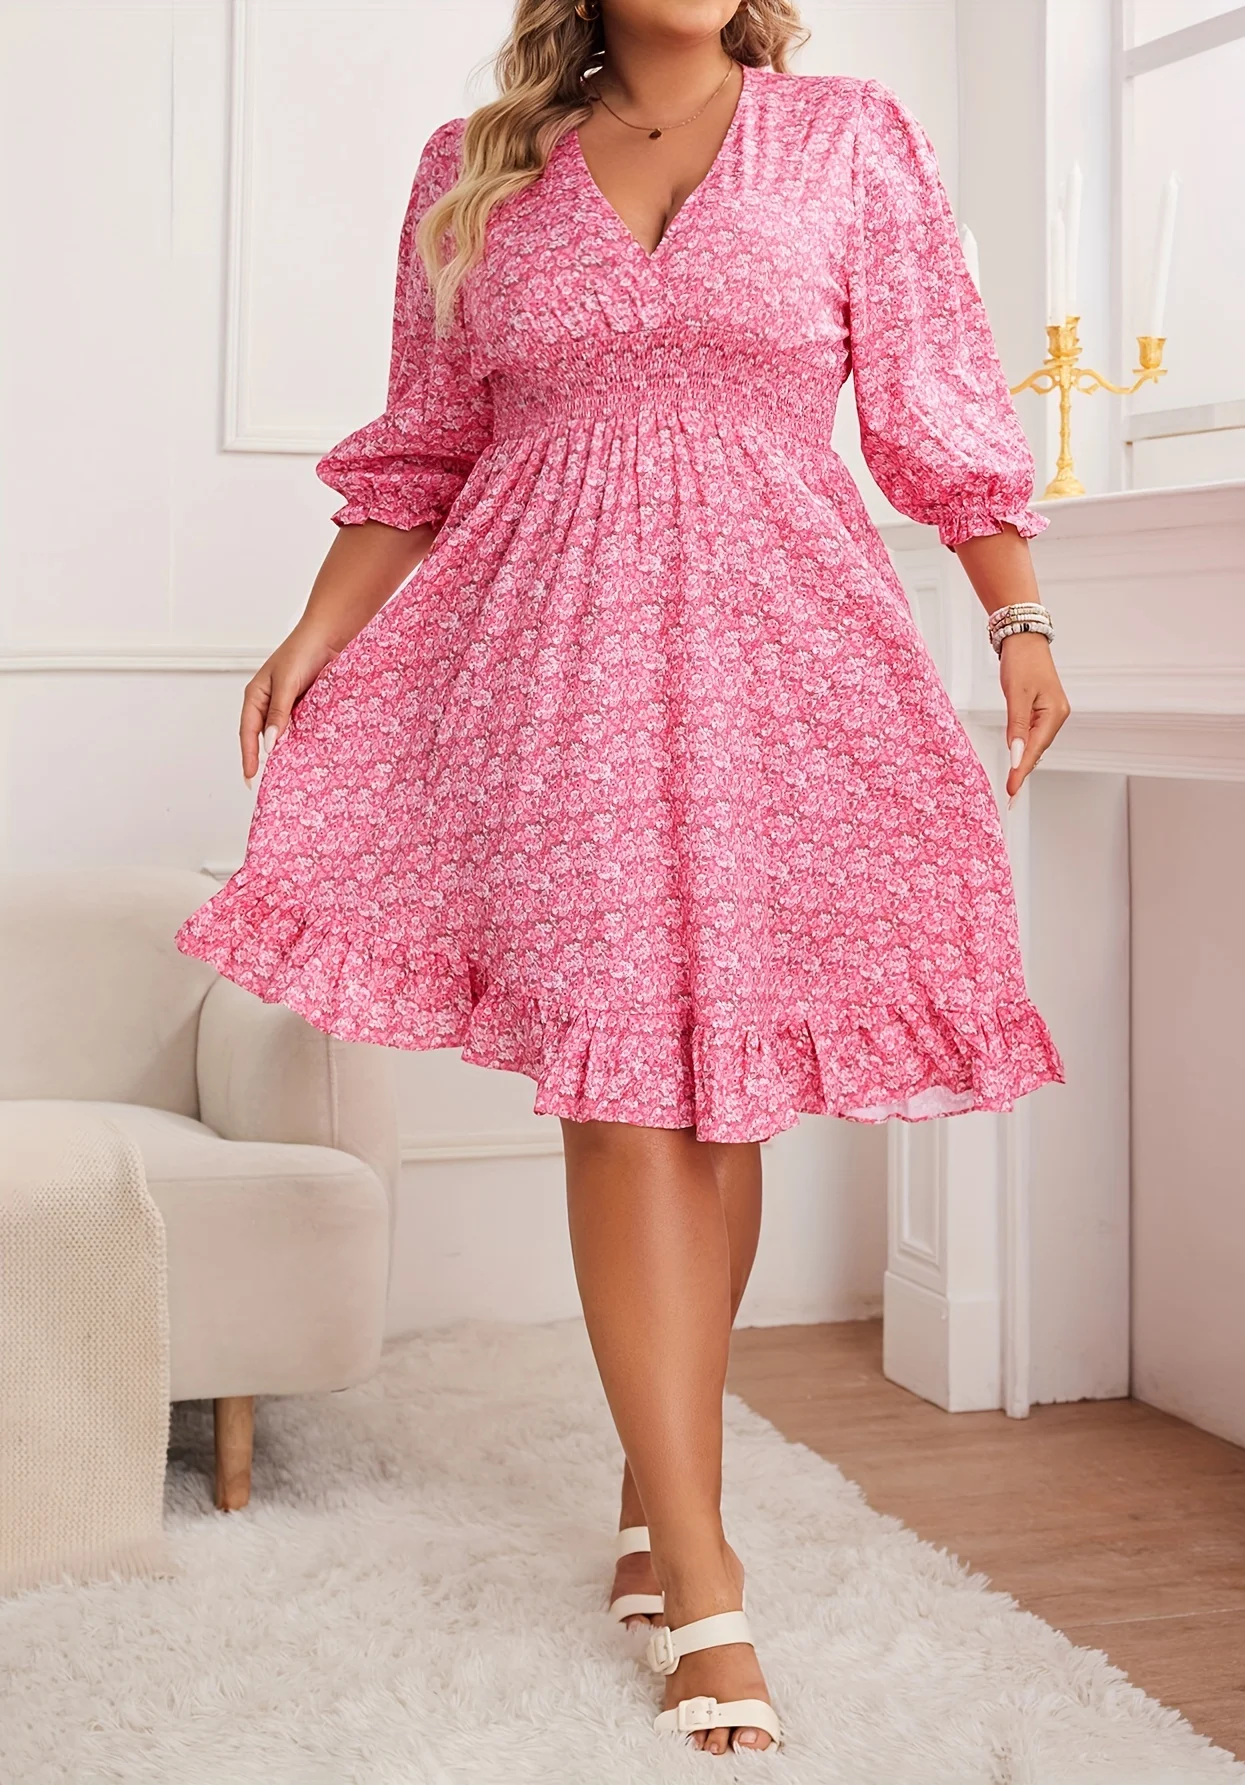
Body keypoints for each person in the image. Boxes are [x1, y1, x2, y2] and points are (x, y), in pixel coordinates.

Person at [177, 0, 1068, 1755]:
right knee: (620, 1099)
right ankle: (705, 1572)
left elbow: (936, 399)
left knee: (717, 1105)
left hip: (779, 648)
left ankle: (662, 1492)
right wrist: (314, 632)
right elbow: (425, 449)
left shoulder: (845, 139)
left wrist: (1017, 616)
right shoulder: (475, 169)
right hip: (553, 658)